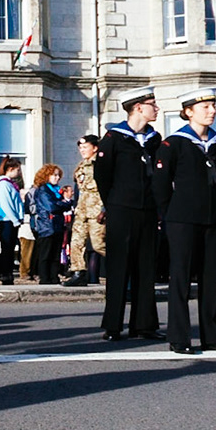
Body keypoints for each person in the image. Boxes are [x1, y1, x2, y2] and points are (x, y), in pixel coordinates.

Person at [152, 88, 216, 355]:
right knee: (181, 278)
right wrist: (169, 215)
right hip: (183, 219)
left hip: (213, 218)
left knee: (211, 279)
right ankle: (179, 337)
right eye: (205, 107)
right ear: (188, 112)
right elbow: (161, 185)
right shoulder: (173, 144)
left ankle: (212, 336)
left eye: (213, 106)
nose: (212, 111)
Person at [95, 87, 163, 342]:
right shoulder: (114, 138)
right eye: (152, 104)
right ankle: (113, 325)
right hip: (121, 210)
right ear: (138, 107)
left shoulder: (154, 139)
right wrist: (113, 204)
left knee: (146, 268)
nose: (156, 108)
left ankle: (144, 324)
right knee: (118, 268)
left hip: (148, 210)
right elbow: (102, 175)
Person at [66, 136, 103, 287]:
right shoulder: (81, 166)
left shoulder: (101, 164)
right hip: (82, 210)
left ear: (95, 148)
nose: (82, 150)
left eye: (85, 147)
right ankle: (78, 272)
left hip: (96, 210)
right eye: (80, 148)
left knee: (99, 244)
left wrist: (104, 209)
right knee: (76, 242)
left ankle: (125, 268)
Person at [25, 164, 68, 287]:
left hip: (58, 225)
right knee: (46, 253)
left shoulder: (56, 191)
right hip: (46, 226)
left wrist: (64, 204)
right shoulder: (43, 190)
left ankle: (54, 276)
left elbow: (64, 204)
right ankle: (44, 277)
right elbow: (51, 207)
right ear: (46, 176)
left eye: (58, 175)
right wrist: (63, 204)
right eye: (54, 175)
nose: (57, 178)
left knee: (55, 254)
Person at [0, 159, 24, 285]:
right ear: (10, 169)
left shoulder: (9, 184)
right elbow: (6, 204)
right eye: (17, 170)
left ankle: (8, 274)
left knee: (9, 249)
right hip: (6, 220)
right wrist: (15, 219)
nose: (19, 172)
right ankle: (5, 274)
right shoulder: (3, 185)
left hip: (11, 220)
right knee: (6, 249)